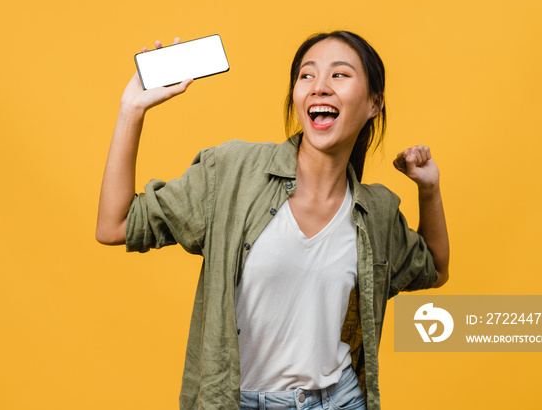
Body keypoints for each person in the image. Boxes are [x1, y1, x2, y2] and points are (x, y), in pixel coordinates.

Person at [96, 31, 449, 410]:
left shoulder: (375, 212)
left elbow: (433, 268)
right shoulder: (233, 172)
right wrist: (131, 110)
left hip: (340, 400)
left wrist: (429, 190)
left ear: (374, 103)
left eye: (340, 75)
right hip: (239, 401)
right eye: (307, 76)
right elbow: (115, 225)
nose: (320, 88)